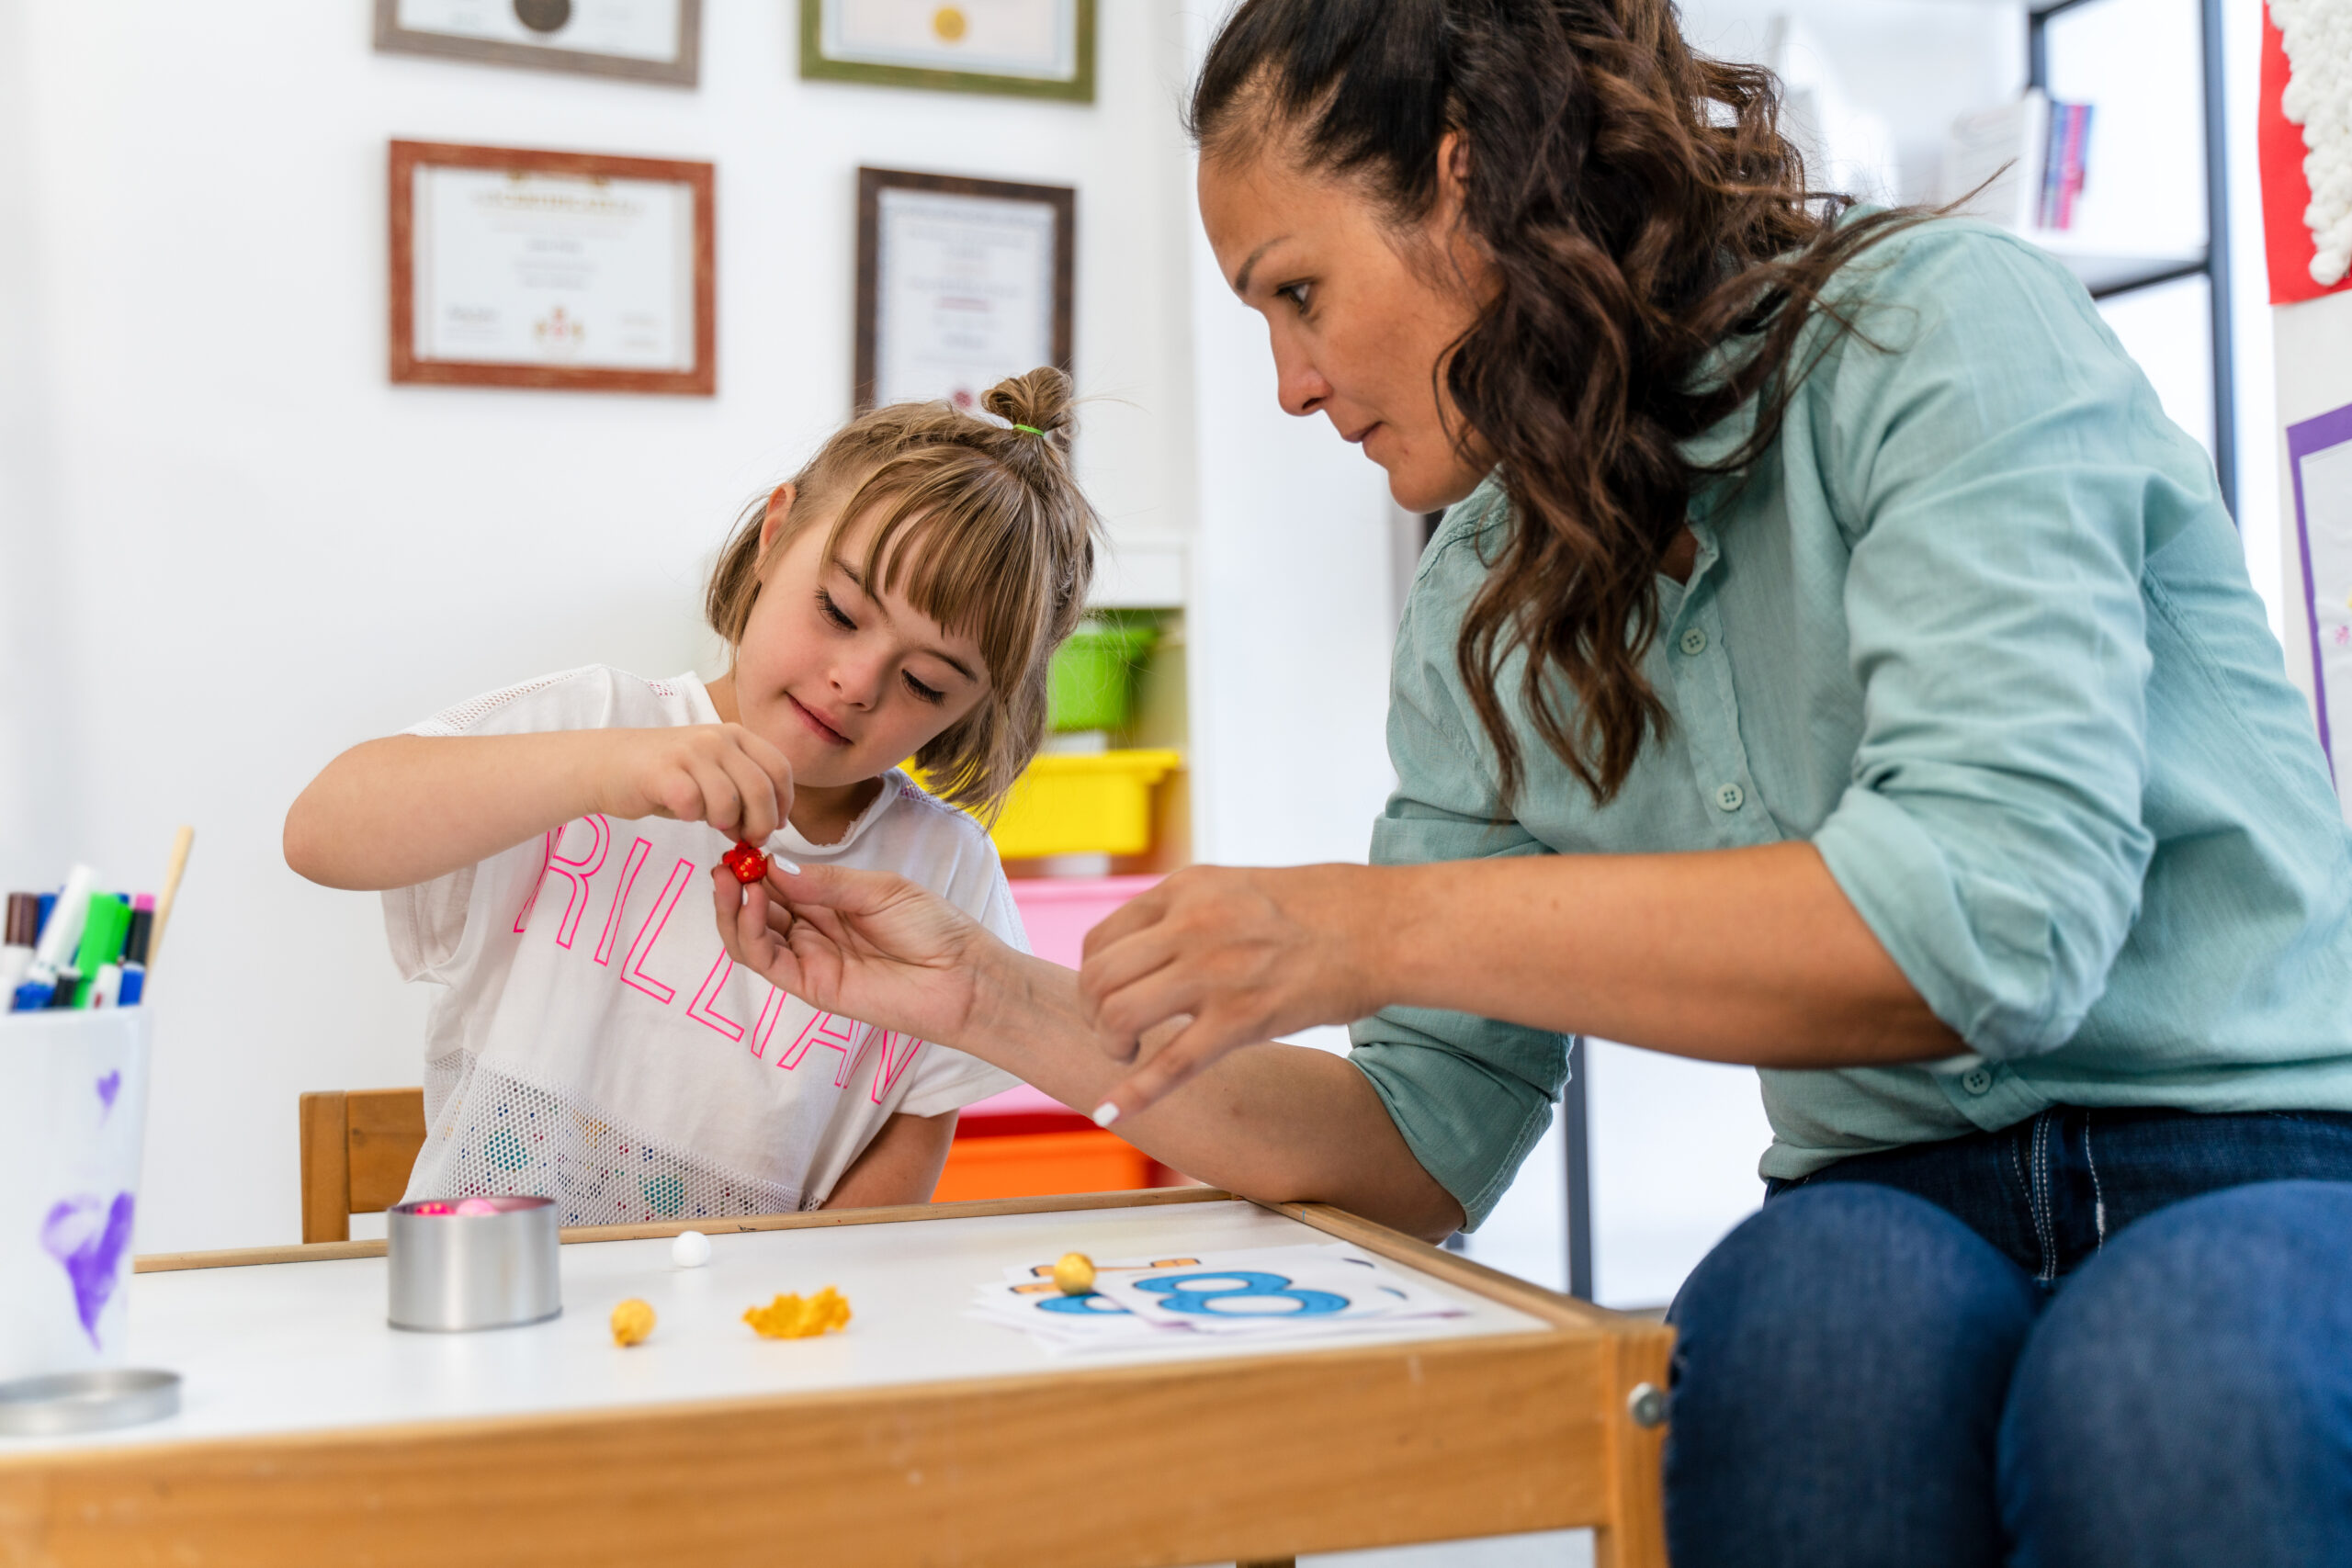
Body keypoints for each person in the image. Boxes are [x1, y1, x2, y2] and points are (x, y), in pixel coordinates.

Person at [712, 3, 2352, 1562]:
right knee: (1796, 1354)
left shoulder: (1937, 325)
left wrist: (1383, 929)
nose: (1290, 381)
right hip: (1890, 1190)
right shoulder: (1480, 600)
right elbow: (1417, 1145)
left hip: (2256, 1144)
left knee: (2176, 1381)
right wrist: (986, 996)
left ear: (1460, 175)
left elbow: (1996, 924)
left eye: (1296, 291)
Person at [284, 368, 1097, 1224]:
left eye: (926, 683)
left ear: (979, 707)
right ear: (773, 538)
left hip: (745, 1336)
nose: (855, 682)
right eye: (839, 610)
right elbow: (319, 830)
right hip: (492, 1305)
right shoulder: (595, 725)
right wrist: (608, 769)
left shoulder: (946, 872)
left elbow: (906, 1151)